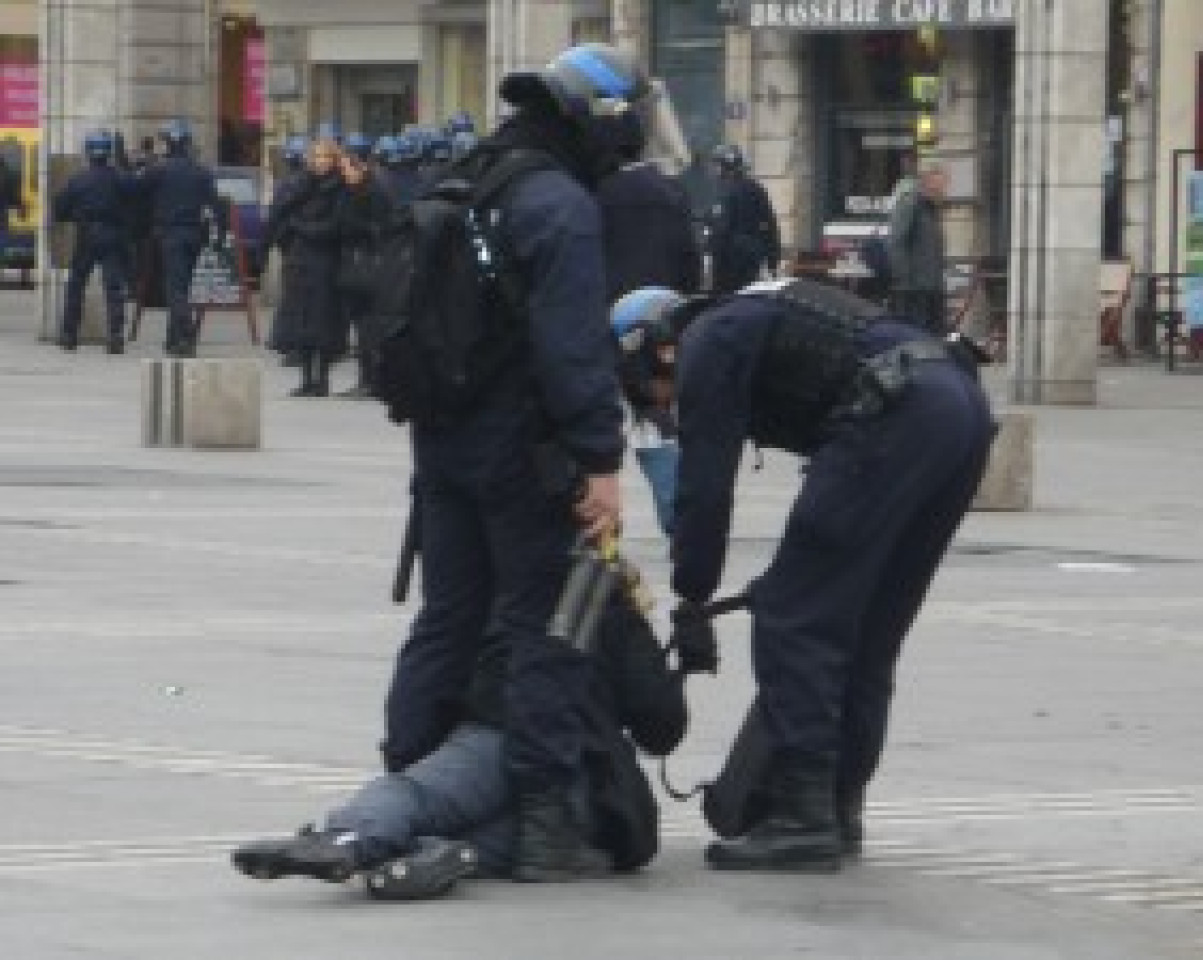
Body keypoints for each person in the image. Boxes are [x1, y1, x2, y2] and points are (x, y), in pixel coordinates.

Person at [381, 43, 658, 883]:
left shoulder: (464, 179)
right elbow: (572, 348)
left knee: (447, 617)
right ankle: (542, 824)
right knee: (548, 629)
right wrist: (600, 460)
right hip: (523, 452)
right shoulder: (558, 203)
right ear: (601, 121)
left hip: (441, 439)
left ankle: (410, 784)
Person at [609, 279, 995, 873]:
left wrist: (691, 595)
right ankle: (840, 805)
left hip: (896, 413)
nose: (662, 403)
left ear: (656, 350)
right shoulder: (755, 311)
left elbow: (704, 486)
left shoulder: (708, 344)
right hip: (959, 409)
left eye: (651, 390)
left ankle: (803, 817)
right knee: (867, 626)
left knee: (794, 616)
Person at [231, 583, 688, 897]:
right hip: (583, 786)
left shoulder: (487, 581)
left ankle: (348, 840)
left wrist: (411, 748)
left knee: (416, 793)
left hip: (494, 734)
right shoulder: (607, 597)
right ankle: (432, 857)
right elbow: (662, 727)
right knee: (491, 838)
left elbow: (430, 674)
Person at [598, 145, 700, 536]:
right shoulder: (671, 190)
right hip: (664, 313)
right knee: (657, 408)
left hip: (610, 314)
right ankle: (677, 510)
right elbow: (691, 256)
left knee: (606, 409)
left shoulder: (596, 190)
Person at [138, 119, 226, 357]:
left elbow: (136, 190)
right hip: (195, 235)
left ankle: (185, 337)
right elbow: (218, 206)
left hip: (171, 235)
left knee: (175, 289)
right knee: (183, 286)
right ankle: (173, 338)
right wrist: (220, 237)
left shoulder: (159, 169)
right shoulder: (201, 171)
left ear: (168, 142)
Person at [271, 134, 346, 397]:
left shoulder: (340, 188)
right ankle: (305, 378)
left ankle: (321, 377)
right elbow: (280, 219)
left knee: (323, 321)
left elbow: (335, 228)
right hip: (299, 260)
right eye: (316, 157)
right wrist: (290, 237)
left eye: (326, 157)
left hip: (325, 262)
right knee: (300, 320)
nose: (320, 162)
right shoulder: (300, 186)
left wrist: (301, 228)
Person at [52, 131, 133, 353]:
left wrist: (75, 215)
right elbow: (133, 197)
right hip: (112, 234)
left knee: (76, 286)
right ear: (109, 153)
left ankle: (69, 335)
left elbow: (60, 209)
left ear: (88, 152)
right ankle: (115, 336)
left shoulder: (78, 179)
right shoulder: (119, 177)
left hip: (87, 235)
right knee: (114, 287)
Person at [335, 132, 392, 399]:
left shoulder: (374, 189)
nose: (342, 170)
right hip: (357, 265)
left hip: (369, 265)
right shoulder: (353, 189)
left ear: (358, 163)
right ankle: (366, 378)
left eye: (345, 164)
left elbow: (380, 228)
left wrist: (352, 226)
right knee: (361, 326)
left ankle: (373, 381)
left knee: (369, 327)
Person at [261, 135, 310, 364]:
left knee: (293, 296)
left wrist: (267, 244)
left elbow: (274, 217)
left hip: (292, 245)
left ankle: (289, 343)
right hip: (306, 245)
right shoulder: (313, 182)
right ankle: (293, 343)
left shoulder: (288, 184)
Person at [706, 144, 781, 295]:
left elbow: (721, 231)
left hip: (730, 266)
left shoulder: (726, 192)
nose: (713, 169)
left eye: (716, 164)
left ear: (724, 166)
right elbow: (771, 227)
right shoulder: (756, 188)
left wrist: (711, 256)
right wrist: (773, 262)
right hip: (754, 262)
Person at [887, 156, 949, 336]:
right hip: (914, 290)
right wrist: (904, 282)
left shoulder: (931, 207)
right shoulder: (910, 202)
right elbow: (897, 241)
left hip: (932, 287)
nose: (945, 186)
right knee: (916, 338)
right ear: (929, 178)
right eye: (943, 180)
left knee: (936, 339)